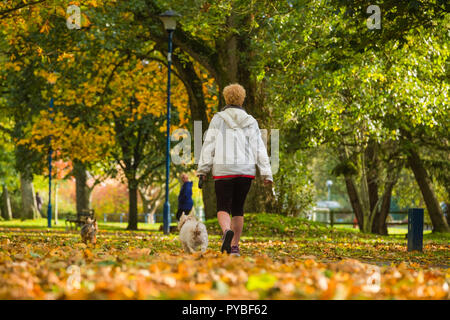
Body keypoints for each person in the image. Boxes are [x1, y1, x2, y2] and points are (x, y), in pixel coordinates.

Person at [197, 83, 273, 256]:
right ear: (242, 98)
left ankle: (226, 232)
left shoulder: (218, 118)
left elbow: (209, 144)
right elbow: (259, 148)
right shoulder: (251, 121)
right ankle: (234, 247)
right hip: (245, 171)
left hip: (224, 170)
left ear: (225, 97)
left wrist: (203, 170)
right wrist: (266, 173)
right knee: (238, 208)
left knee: (223, 206)